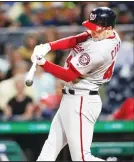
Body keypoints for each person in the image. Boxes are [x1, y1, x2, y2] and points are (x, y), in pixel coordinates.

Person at [31, 7, 121, 161]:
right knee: (49, 149)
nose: (92, 32)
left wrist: (43, 63)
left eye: (97, 29)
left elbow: (68, 75)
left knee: (82, 158)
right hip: (73, 98)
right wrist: (49, 46)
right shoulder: (111, 36)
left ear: (108, 29)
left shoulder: (99, 51)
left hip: (81, 101)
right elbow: (80, 37)